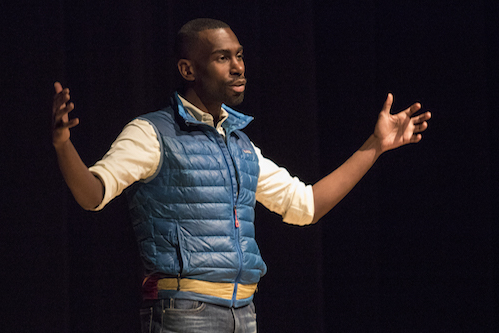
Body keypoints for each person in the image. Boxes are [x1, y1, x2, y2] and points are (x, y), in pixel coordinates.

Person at [52, 18, 431, 333]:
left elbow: (307, 205)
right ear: (188, 69)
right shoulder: (152, 133)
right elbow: (93, 194)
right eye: (222, 58)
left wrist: (375, 145)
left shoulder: (240, 146)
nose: (239, 67)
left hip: (243, 313)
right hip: (186, 315)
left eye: (240, 56)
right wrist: (63, 143)